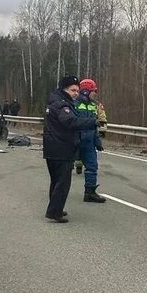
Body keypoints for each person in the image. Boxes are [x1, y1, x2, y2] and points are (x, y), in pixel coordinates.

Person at [43, 76, 98, 223]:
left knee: (56, 181)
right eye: (73, 90)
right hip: (61, 148)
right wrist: (93, 122)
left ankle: (56, 208)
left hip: (53, 147)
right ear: (64, 90)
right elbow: (69, 121)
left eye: (77, 90)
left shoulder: (55, 102)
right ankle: (54, 212)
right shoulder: (62, 105)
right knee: (62, 182)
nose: (75, 93)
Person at [73, 79, 106, 203]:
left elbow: (94, 125)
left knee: (92, 167)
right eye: (93, 91)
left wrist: (97, 142)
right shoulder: (74, 104)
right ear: (86, 91)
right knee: (65, 168)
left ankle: (90, 192)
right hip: (75, 141)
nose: (95, 94)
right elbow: (71, 123)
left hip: (89, 142)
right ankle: (59, 192)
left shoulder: (93, 106)